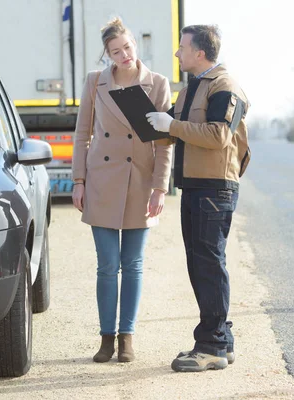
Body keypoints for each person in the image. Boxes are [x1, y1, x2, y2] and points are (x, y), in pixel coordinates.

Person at [146, 24, 251, 373]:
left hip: (214, 188)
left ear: (200, 53)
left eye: (182, 47)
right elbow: (177, 132)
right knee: (199, 263)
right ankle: (221, 339)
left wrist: (170, 126)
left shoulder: (224, 86)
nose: (177, 53)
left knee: (208, 264)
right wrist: (151, 124)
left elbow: (219, 135)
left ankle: (212, 346)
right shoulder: (192, 88)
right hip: (194, 186)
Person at [71, 17, 173, 363]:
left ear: (134, 44)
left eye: (127, 47)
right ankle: (106, 337)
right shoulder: (95, 83)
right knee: (106, 264)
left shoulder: (157, 84)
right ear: (108, 55)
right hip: (101, 181)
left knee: (132, 264)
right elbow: (82, 134)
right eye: (116, 51)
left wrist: (160, 187)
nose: (124, 55)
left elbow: (163, 142)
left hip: (140, 183)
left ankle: (127, 336)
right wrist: (78, 180)